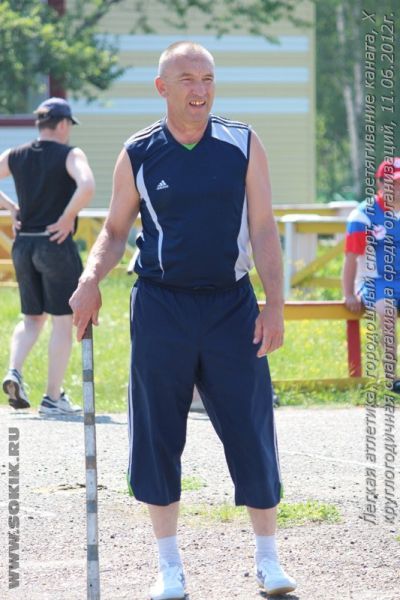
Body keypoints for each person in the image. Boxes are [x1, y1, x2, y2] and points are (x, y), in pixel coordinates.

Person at [70, 42, 296, 598]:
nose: (200, 90)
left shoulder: (243, 143)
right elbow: (115, 231)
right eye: (189, 79)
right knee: (157, 432)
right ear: (162, 87)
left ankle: (268, 560)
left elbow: (263, 228)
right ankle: (169, 566)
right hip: (161, 305)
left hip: (231, 305)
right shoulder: (139, 152)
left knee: (250, 428)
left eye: (208, 79)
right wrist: (91, 279)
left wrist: (274, 304)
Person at [1, 97, 95, 414]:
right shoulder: (70, 154)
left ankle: (14, 371)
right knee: (62, 322)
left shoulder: (16, 154)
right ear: (64, 124)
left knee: (31, 319)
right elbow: (87, 185)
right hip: (54, 244)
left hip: (23, 245)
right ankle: (53, 397)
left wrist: (11, 207)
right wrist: (67, 217)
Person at [343, 157, 400, 389]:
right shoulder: (363, 215)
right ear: (380, 183)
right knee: (387, 312)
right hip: (374, 281)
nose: (398, 189)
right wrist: (348, 293)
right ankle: (392, 379)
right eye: (393, 183)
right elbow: (350, 258)